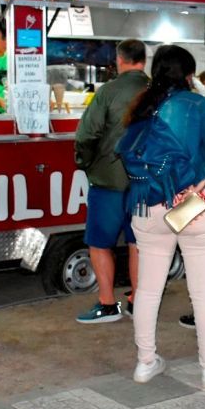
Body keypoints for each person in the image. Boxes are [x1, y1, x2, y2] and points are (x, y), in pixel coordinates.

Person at [119, 45, 205, 390]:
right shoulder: (197, 104)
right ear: (187, 73)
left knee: (149, 290)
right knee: (203, 293)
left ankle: (145, 362)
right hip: (193, 206)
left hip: (147, 206)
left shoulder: (141, 106)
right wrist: (199, 182)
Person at [73, 39, 149, 323]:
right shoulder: (158, 92)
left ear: (119, 59)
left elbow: (85, 135)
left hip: (109, 180)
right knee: (138, 242)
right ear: (144, 59)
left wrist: (86, 162)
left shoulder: (108, 92)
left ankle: (107, 304)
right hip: (145, 184)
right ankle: (137, 301)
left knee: (100, 243)